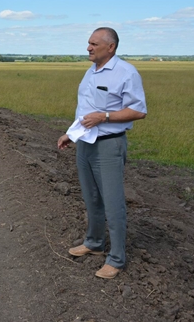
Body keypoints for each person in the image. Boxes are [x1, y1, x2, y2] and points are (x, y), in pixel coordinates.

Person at [57, 27, 147, 279]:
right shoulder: (90, 73)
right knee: (91, 197)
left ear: (111, 47)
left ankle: (116, 259)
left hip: (109, 145)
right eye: (88, 43)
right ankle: (94, 242)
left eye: (94, 44)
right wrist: (70, 134)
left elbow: (139, 111)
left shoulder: (126, 73)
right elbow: (85, 112)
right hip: (85, 143)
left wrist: (105, 116)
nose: (88, 47)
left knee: (113, 202)